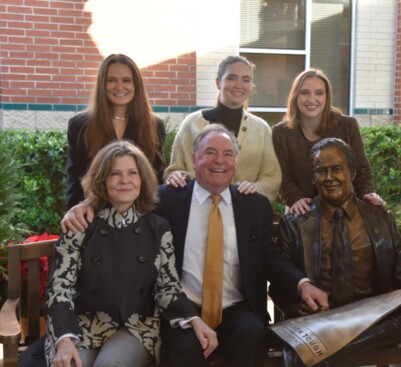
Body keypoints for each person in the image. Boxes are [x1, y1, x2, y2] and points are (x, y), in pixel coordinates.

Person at [61, 124, 329, 367]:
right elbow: (123, 198)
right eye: (210, 152)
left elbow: (270, 257)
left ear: (235, 162)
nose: (219, 161)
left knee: (253, 333)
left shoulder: (254, 205)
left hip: (237, 307)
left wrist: (302, 284)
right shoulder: (166, 200)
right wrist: (84, 206)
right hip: (183, 308)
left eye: (227, 154)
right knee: (185, 348)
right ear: (194, 158)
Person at [269, 137, 401, 366]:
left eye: (336, 169)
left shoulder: (380, 218)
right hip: (318, 321)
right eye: (320, 171)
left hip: (368, 318)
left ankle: (324, 354)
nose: (329, 178)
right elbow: (279, 282)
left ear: (352, 173)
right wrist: (296, 305)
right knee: (309, 339)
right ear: (313, 177)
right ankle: (320, 351)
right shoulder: (295, 223)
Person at [45, 141, 190, 367]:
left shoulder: (158, 228)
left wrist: (194, 318)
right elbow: (59, 290)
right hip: (80, 325)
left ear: (142, 179)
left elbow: (168, 288)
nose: (125, 180)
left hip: (134, 327)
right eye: (115, 173)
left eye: (133, 173)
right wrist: (64, 339)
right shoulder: (80, 224)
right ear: (101, 180)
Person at [164, 55, 281, 202]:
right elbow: (175, 169)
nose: (239, 85)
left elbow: (272, 177)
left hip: (243, 211)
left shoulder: (261, 129)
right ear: (218, 82)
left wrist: (255, 188)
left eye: (246, 79)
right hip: (196, 210)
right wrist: (176, 176)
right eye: (232, 78)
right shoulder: (192, 124)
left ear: (251, 85)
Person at [272, 68, 384, 215]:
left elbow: (361, 168)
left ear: (327, 96)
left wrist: (367, 193)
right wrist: (295, 199)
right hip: (302, 209)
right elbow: (282, 177)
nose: (312, 99)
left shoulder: (347, 125)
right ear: (295, 96)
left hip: (343, 209)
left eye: (319, 93)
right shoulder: (281, 132)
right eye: (305, 92)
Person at [66, 53, 166, 209]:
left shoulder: (154, 125)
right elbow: (74, 180)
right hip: (94, 216)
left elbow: (157, 179)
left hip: (140, 217)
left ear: (136, 85)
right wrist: (75, 218)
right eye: (111, 80)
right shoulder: (80, 125)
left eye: (126, 80)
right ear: (102, 85)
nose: (119, 87)